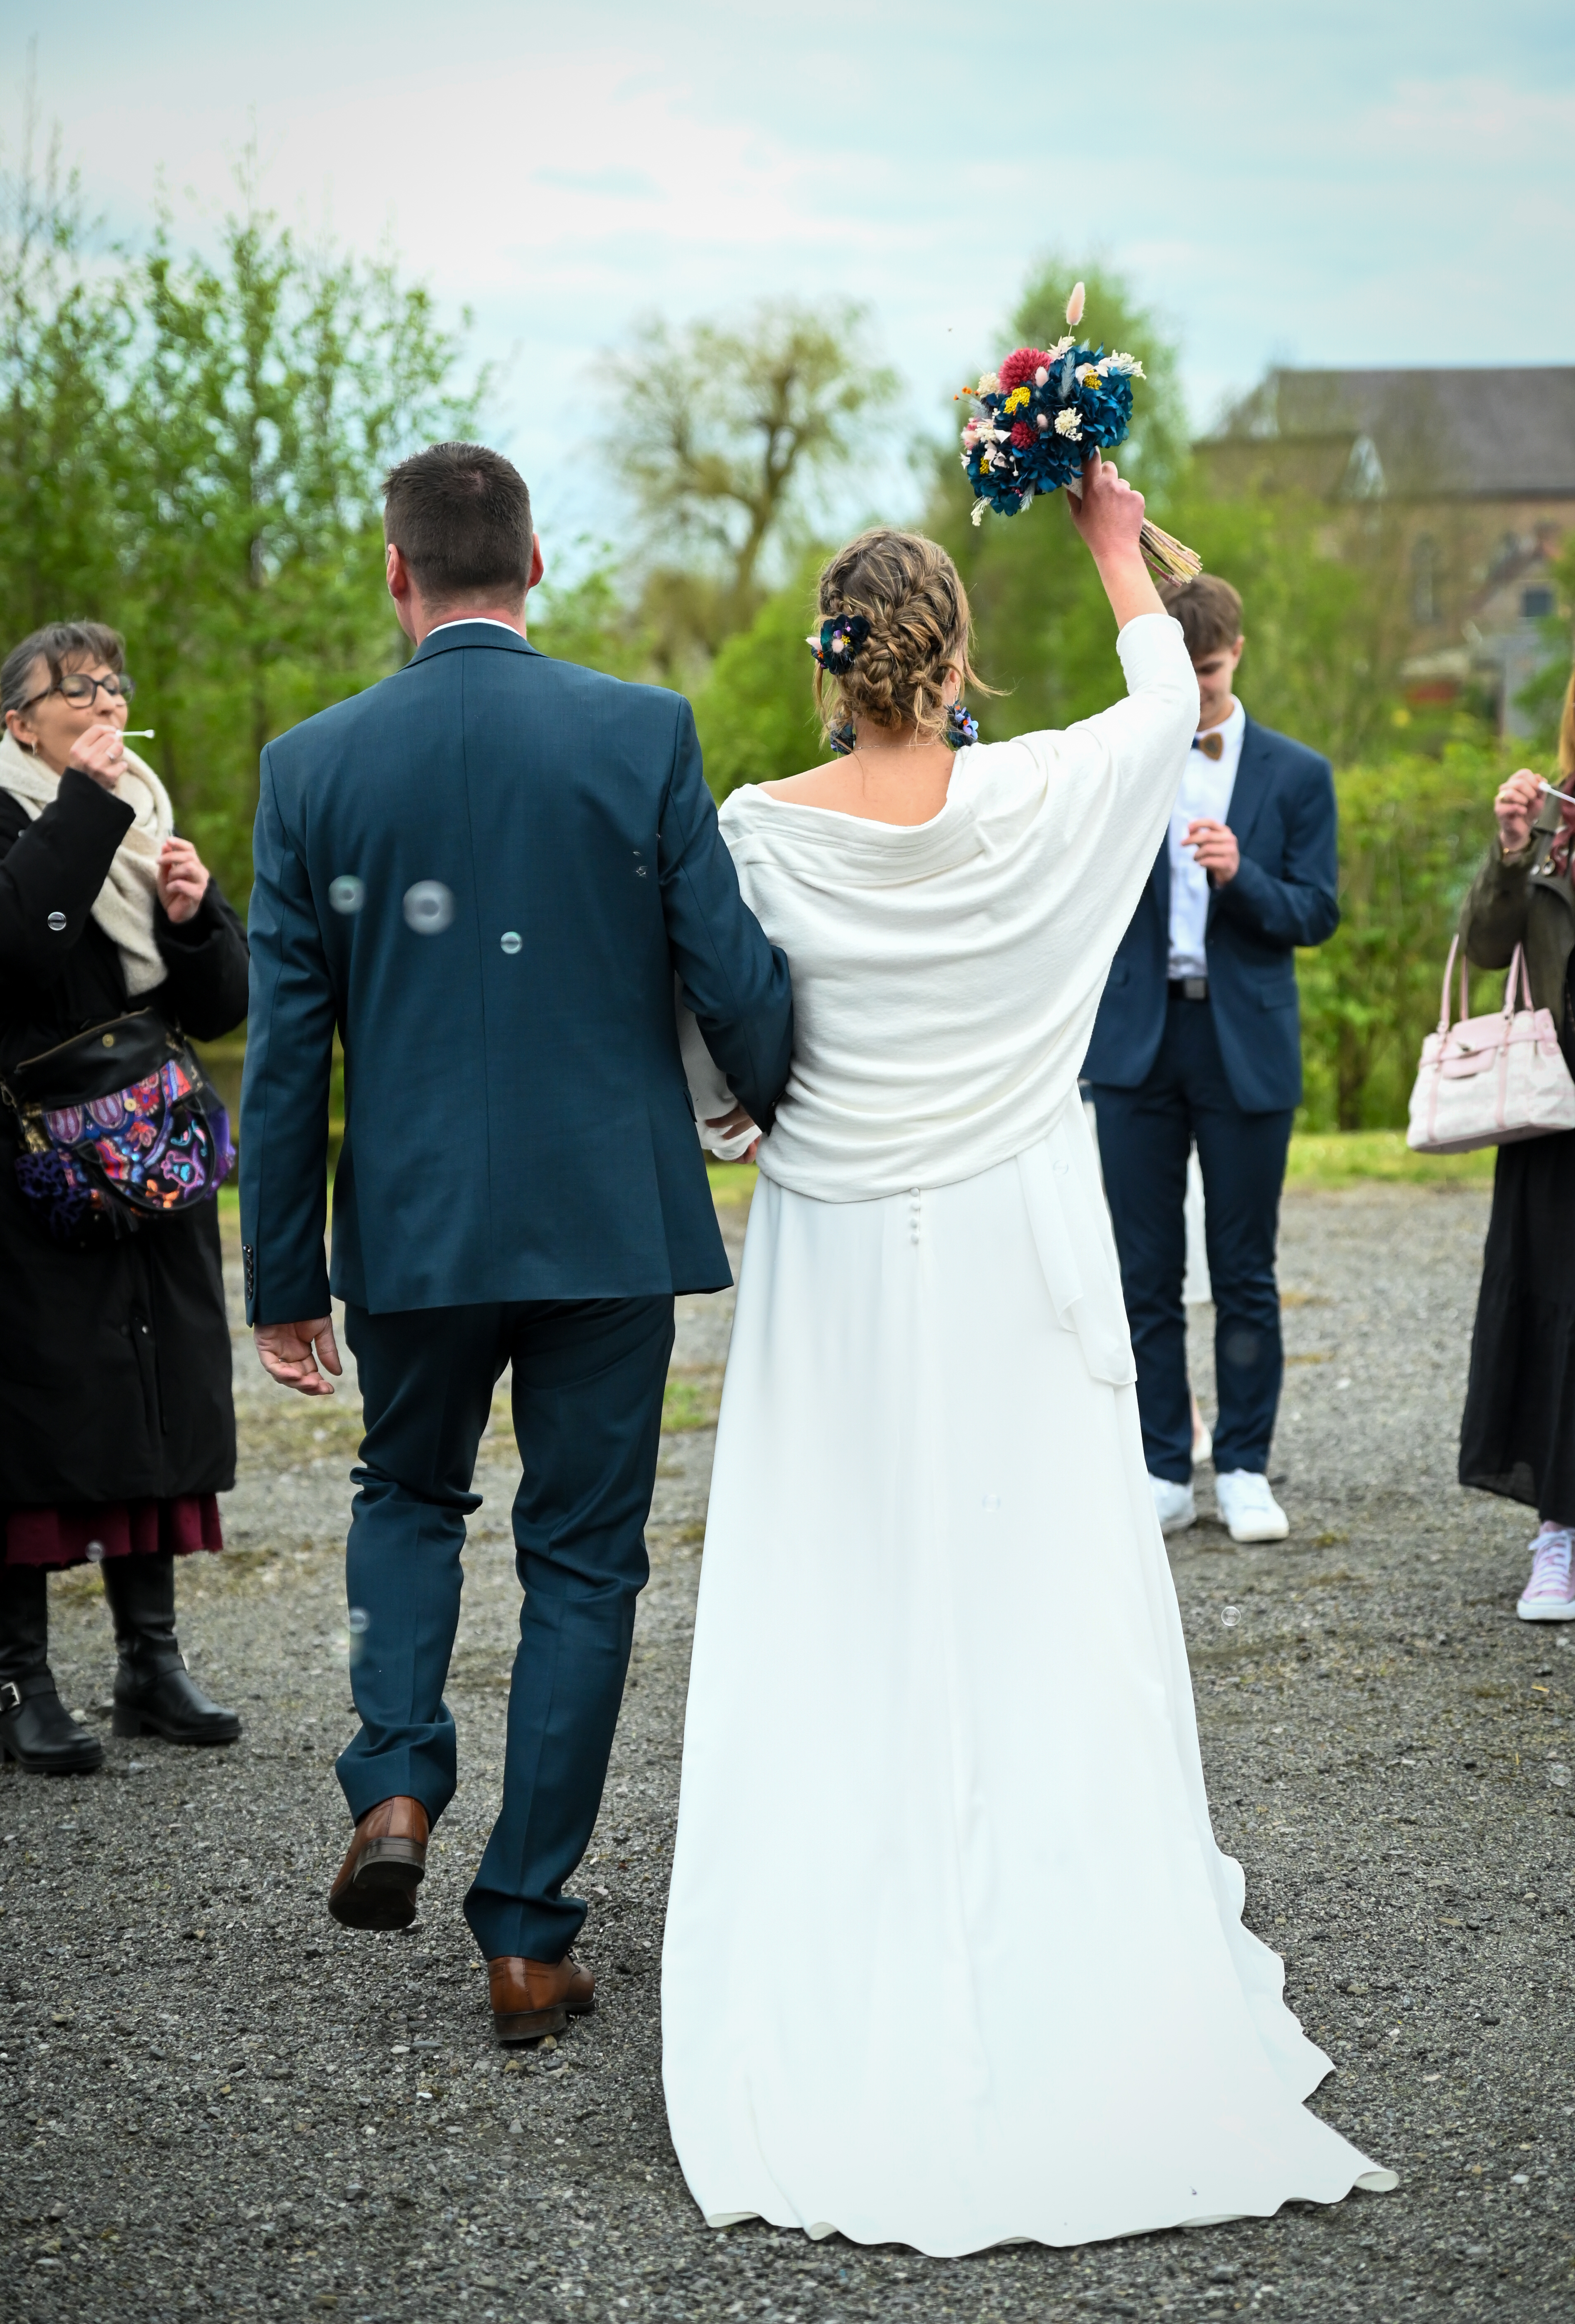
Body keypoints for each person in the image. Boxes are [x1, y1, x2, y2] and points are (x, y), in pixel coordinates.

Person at [662, 462, 1393, 2252]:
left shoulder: (760, 825)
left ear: (835, 667)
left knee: (843, 1568)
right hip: (1004, 1234)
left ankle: (847, 1909)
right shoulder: (1040, 798)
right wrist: (1105, 533)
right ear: (953, 652)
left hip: (836, 1243)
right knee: (1018, 1570)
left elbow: (707, 1029)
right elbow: (1161, 698)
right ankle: (1051, 1904)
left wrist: (731, 1119)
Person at [241, 442, 792, 2041]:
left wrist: (283, 1278)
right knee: (581, 1564)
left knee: (407, 1495)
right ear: (536, 568)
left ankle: (399, 1777)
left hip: (411, 1228)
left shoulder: (311, 767)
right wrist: (766, 1097)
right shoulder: (642, 733)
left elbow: (291, 1056)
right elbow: (734, 970)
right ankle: (528, 1932)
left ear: (395, 571)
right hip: (609, 1217)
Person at [0, 620, 248, 1774]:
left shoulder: (142, 813)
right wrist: (87, 812)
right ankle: (20, 1680)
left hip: (154, 1155)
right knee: (42, 1410)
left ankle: (150, 1661)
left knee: (152, 1392)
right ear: (19, 724)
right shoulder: (24, 812)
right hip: (37, 1164)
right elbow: (19, 952)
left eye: (113, 683)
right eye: (75, 688)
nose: (104, 700)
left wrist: (196, 919)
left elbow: (220, 1004)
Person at [1083, 574, 1338, 1544]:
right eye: (1180, 679)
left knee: (1244, 1270)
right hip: (1136, 1044)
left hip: (1244, 1043)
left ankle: (1242, 1466)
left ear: (1239, 651)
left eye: (1210, 673)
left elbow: (1315, 912)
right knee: (1143, 1271)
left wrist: (1244, 878)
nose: (1195, 692)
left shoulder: (1297, 774)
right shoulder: (1124, 759)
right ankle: (1161, 1469)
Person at [1458, 672, 1575, 1622]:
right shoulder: (1549, 819)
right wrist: (1510, 852)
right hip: (1557, 1113)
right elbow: (1488, 948)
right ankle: (1558, 1534)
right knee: (1558, 1320)